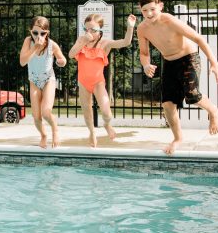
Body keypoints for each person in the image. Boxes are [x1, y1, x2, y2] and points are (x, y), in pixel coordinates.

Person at [136, 0, 218, 155]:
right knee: (167, 104)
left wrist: (214, 63)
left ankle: (213, 110)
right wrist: (146, 65)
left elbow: (198, 38)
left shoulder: (170, 21)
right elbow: (144, 53)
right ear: (140, 9)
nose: (149, 14)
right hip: (169, 62)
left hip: (188, 59)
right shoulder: (142, 29)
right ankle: (177, 138)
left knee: (192, 95)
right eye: (145, 10)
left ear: (160, 6)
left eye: (152, 9)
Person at [68, 13, 136, 148]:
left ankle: (107, 124)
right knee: (87, 110)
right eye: (86, 29)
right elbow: (71, 55)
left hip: (98, 83)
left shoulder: (105, 44)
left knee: (106, 113)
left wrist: (130, 27)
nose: (89, 32)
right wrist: (83, 42)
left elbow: (125, 42)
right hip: (83, 82)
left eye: (93, 30)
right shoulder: (81, 40)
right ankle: (92, 132)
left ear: (100, 31)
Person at [19, 16, 67, 148]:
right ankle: (43, 135)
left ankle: (55, 130)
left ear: (47, 33)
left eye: (42, 33)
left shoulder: (52, 45)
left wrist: (61, 62)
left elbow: (63, 60)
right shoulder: (28, 42)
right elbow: (22, 62)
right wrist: (35, 48)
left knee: (46, 112)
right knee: (36, 116)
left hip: (48, 80)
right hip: (34, 81)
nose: (38, 36)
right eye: (35, 33)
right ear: (30, 31)